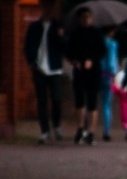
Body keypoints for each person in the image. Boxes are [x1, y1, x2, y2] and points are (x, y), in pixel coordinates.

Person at [23, 0, 66, 144]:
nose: (48, 10)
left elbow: (64, 47)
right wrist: (31, 62)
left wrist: (61, 36)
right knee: (41, 100)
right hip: (39, 68)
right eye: (46, 7)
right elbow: (27, 46)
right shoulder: (34, 27)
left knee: (57, 98)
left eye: (51, 7)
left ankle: (57, 125)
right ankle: (44, 131)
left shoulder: (58, 26)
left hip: (54, 68)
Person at [66, 7, 106, 145]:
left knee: (92, 101)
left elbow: (102, 51)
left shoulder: (96, 33)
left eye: (88, 17)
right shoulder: (75, 34)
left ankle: (91, 132)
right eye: (83, 17)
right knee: (79, 100)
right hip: (79, 71)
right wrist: (74, 61)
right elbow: (69, 51)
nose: (86, 19)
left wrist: (92, 60)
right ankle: (80, 129)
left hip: (93, 71)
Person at [100, 26, 119, 142]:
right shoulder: (112, 44)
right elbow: (112, 61)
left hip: (97, 74)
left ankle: (87, 129)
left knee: (91, 104)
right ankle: (106, 131)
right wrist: (114, 74)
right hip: (107, 75)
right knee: (106, 104)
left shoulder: (97, 42)